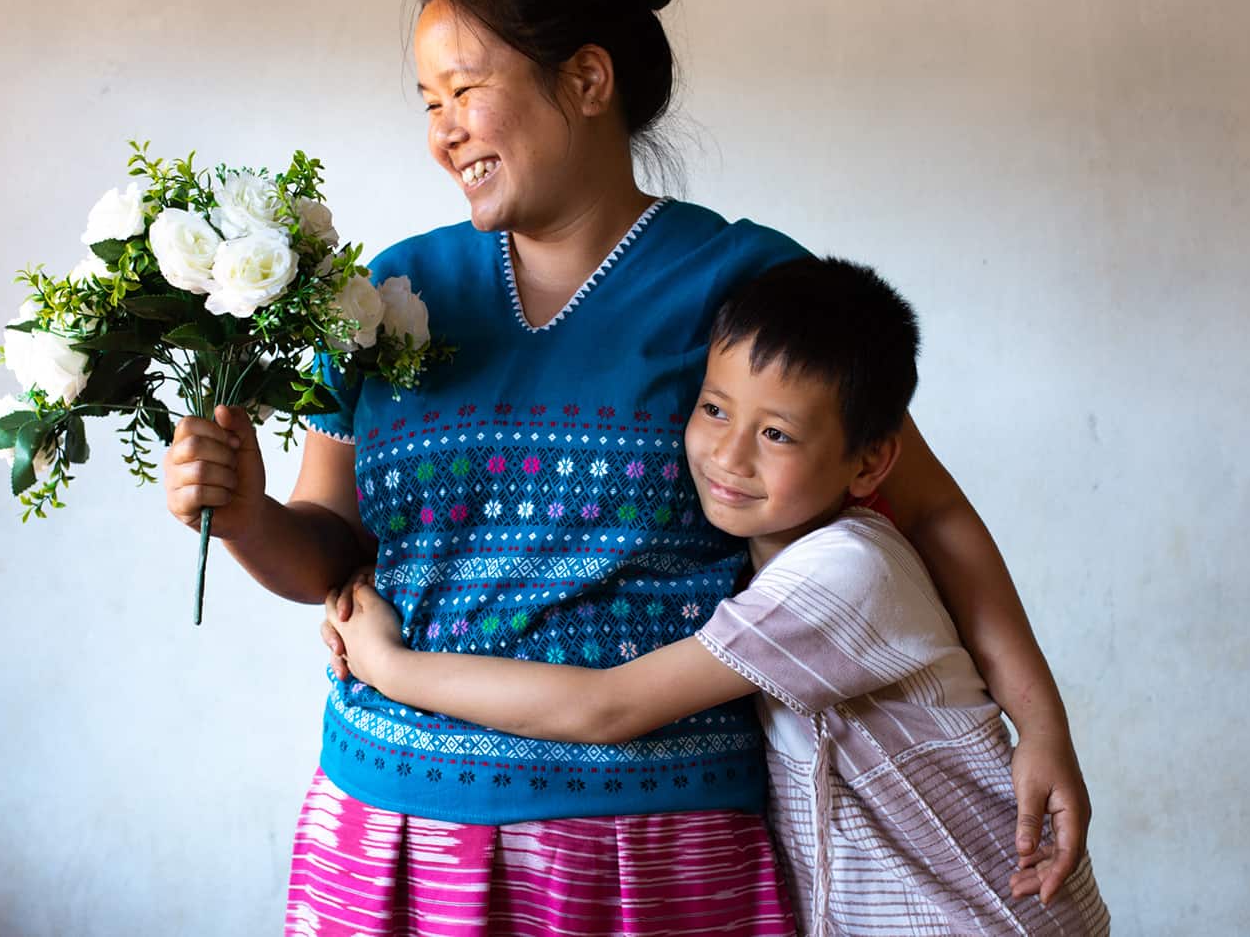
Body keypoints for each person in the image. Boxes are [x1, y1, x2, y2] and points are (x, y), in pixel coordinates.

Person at [161, 0, 1091, 932]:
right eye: (427, 103)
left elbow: (922, 506)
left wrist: (1041, 721)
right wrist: (239, 518)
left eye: (464, 90)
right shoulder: (383, 294)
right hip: (395, 824)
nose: (442, 130)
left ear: (588, 78)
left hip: (658, 841)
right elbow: (328, 547)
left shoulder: (743, 285)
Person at [331, 257, 1111, 936]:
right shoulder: (767, 559)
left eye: (777, 434)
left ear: (870, 464)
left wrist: (387, 663)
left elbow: (607, 707)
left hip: (980, 911)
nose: (729, 454)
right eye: (712, 409)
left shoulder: (844, 573)